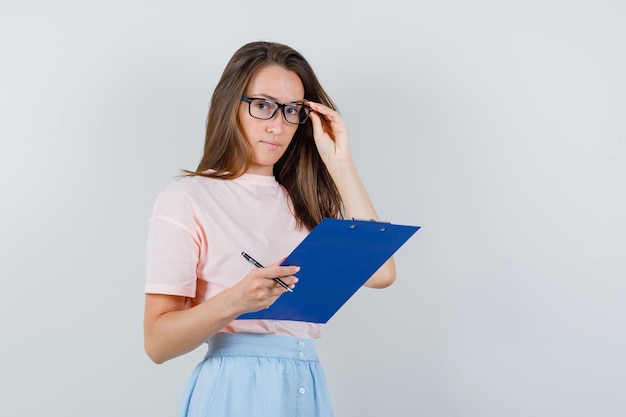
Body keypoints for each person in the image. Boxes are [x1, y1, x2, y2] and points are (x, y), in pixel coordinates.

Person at [143, 41, 396, 417]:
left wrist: (340, 161)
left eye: (292, 110)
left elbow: (382, 273)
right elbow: (157, 343)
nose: (278, 126)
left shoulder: (304, 202)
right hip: (234, 389)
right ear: (232, 105)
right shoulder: (188, 198)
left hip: (304, 382)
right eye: (263, 106)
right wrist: (237, 300)